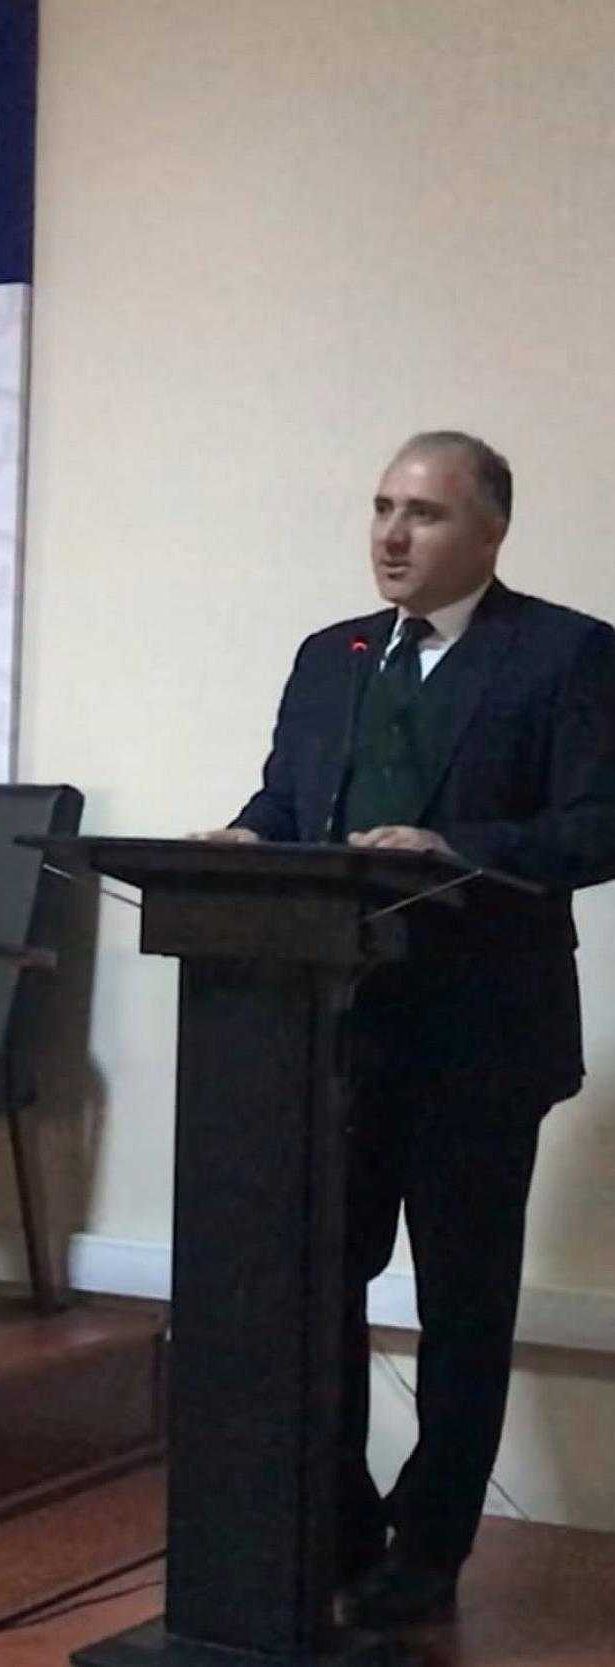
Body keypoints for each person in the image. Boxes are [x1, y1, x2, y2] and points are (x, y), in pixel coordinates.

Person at [197, 430, 615, 1629]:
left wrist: (455, 847)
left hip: (480, 1041)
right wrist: (244, 838)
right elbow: (288, 800)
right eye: (381, 507)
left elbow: (598, 823)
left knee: (460, 1305)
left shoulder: (565, 653)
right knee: (317, 1282)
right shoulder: (328, 656)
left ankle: (428, 1551)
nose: (390, 534)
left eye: (422, 513)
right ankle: (335, 1521)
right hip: (329, 1033)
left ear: (490, 530)